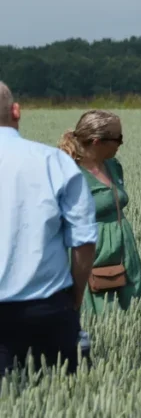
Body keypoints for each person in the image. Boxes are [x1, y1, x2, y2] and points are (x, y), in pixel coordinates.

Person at [0, 82, 97, 376]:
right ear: (16, 111)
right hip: (47, 307)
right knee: (64, 396)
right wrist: (74, 298)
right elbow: (84, 241)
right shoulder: (54, 162)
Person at [58, 110, 141, 314]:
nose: (121, 143)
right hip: (90, 251)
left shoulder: (113, 166)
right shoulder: (68, 172)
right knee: (97, 311)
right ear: (97, 142)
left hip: (123, 249)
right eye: (117, 138)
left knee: (137, 309)